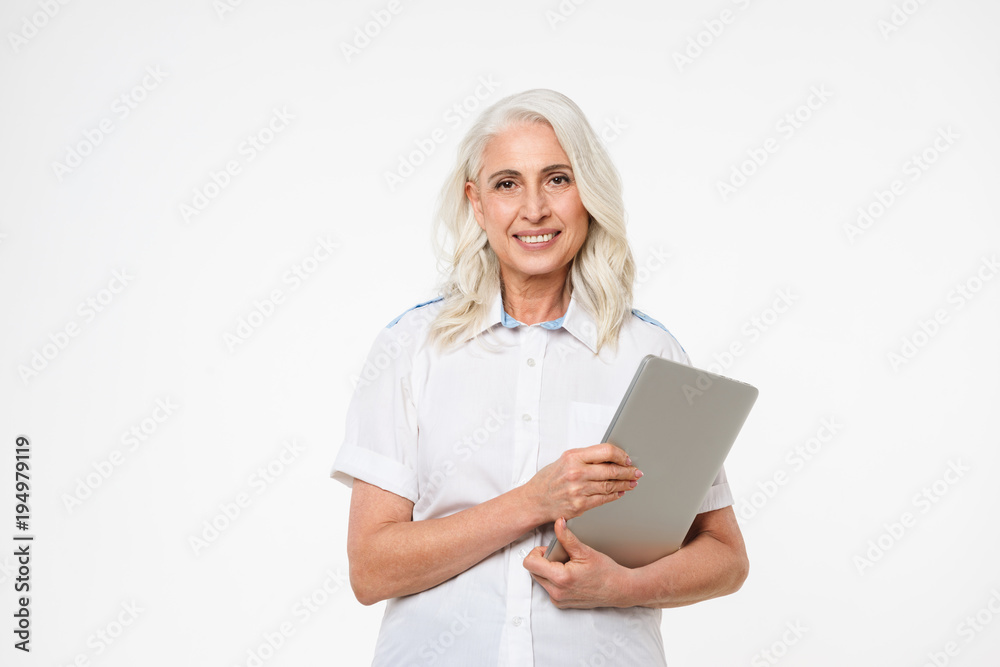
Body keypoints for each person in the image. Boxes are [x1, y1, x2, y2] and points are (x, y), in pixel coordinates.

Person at [330, 88, 749, 666]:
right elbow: (370, 570)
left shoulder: (648, 354)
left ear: (589, 194)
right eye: (507, 184)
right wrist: (533, 501)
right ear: (477, 203)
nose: (534, 209)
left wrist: (622, 588)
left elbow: (725, 557)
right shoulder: (411, 348)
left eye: (557, 179)